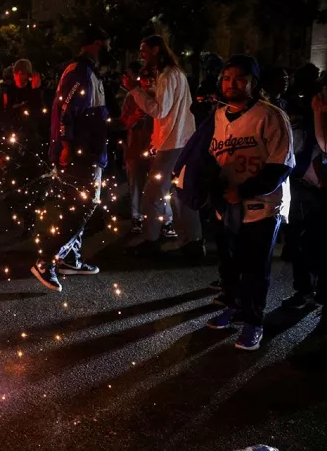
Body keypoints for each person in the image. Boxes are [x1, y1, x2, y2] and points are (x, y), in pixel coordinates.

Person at [204, 55, 294, 350]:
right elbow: (213, 158)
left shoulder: (270, 115)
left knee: (255, 268)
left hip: (261, 208)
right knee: (229, 265)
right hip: (227, 208)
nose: (232, 84)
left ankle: (253, 320)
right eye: (227, 77)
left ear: (254, 83)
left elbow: (281, 164)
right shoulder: (219, 115)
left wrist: (245, 190)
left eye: (240, 78)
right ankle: (233, 307)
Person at [29, 26, 110, 291]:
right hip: (80, 153)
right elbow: (67, 109)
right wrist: (64, 143)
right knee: (84, 205)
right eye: (106, 44)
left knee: (75, 205)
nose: (109, 49)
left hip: (87, 150)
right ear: (98, 43)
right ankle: (47, 260)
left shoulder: (88, 72)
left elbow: (91, 114)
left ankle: (70, 259)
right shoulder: (80, 71)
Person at [124, 35, 204, 258]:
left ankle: (151, 239)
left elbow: (160, 111)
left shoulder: (169, 76)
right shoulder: (172, 74)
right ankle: (192, 241)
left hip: (173, 142)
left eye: (144, 50)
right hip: (180, 140)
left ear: (156, 49)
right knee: (180, 192)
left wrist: (135, 90)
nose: (141, 55)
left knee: (153, 191)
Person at [281, 86, 327, 310]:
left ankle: (307, 290)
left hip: (305, 190)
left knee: (306, 242)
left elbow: (310, 157)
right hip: (307, 190)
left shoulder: (303, 131)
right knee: (307, 242)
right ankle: (310, 290)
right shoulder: (310, 129)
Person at [120, 62, 175, 235]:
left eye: (153, 78)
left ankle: (165, 220)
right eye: (145, 78)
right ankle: (137, 218)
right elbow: (123, 122)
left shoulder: (161, 97)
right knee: (136, 184)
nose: (149, 81)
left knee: (160, 185)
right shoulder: (132, 97)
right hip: (135, 148)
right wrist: (134, 117)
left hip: (157, 149)